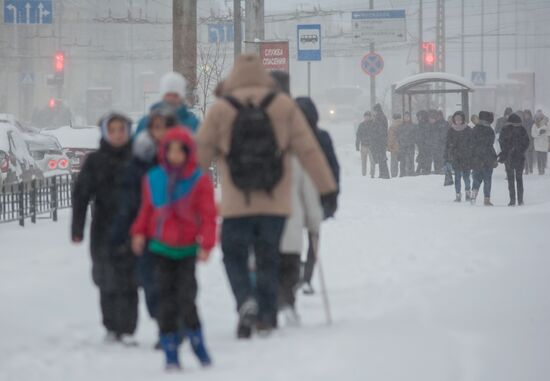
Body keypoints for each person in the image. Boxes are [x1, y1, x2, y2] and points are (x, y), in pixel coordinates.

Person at [196, 55, 337, 338]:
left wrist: (179, 192)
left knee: (234, 255)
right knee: (268, 257)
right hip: (275, 202)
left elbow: (199, 155)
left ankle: (245, 300)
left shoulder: (221, 109)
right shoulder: (283, 106)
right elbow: (308, 151)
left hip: (237, 202)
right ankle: (267, 316)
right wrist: (327, 189)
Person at [130, 128, 216, 370]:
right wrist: (138, 232)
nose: (175, 155)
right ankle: (170, 349)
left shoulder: (198, 180)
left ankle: (197, 341)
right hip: (160, 248)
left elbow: (208, 215)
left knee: (186, 298)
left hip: (187, 250)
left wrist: (207, 243)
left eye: (181, 150)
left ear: (188, 152)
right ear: (163, 152)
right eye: (171, 150)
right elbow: (147, 210)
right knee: (164, 300)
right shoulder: (154, 178)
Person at [110, 108, 177, 349]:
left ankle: (170, 327)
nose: (161, 132)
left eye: (165, 126)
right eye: (156, 127)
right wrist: (119, 233)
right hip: (148, 233)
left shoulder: (181, 156)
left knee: (173, 283)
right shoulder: (140, 160)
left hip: (177, 234)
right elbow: (129, 201)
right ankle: (163, 324)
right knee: (150, 283)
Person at [71, 113, 138, 344]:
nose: (118, 134)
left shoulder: (137, 159)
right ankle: (111, 326)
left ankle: (128, 329)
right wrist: (77, 228)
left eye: (122, 129)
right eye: (113, 130)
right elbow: (81, 195)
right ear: (105, 133)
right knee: (106, 279)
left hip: (133, 229)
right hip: (103, 230)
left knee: (130, 281)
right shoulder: (95, 161)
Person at [295, 97, 340, 296]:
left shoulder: (288, 138)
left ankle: (297, 271)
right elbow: (333, 168)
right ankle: (307, 277)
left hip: (293, 196)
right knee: (313, 237)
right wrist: (332, 196)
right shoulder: (322, 137)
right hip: (318, 193)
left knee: (292, 237)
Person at [278, 156, 323, 324]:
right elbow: (309, 192)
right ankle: (287, 300)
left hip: (264, 219)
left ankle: (272, 304)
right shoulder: (296, 156)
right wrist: (314, 221)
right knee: (290, 261)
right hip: (290, 216)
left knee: (270, 260)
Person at [135, 72, 199, 136]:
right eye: (168, 94)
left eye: (175, 95)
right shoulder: (146, 123)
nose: (171, 98)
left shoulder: (192, 124)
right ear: (162, 95)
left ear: (181, 97)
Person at [498, 113, 530, 206]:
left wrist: (506, 150)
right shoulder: (522, 129)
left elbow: (501, 141)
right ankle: (520, 200)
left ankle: (512, 200)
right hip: (519, 157)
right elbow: (527, 142)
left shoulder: (504, 130)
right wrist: (521, 150)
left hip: (509, 157)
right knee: (519, 179)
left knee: (511, 179)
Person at [470, 111, 497, 206]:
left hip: (477, 158)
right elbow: (491, 143)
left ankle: (473, 196)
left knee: (476, 178)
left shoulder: (475, 129)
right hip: (488, 157)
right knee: (487, 179)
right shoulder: (490, 130)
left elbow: (471, 144)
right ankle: (487, 199)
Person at [444, 111, 472, 202]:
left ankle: (468, 192)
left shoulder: (468, 130)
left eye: (459, 119)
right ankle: (458, 194)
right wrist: (449, 154)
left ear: (463, 119)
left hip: (466, 156)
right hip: (456, 157)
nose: (458, 121)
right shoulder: (451, 130)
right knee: (457, 177)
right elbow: (448, 144)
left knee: (466, 177)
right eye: (456, 119)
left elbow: (472, 143)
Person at [367, 103, 390, 179]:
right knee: (381, 158)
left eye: (374, 111)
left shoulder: (380, 118)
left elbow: (380, 130)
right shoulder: (380, 117)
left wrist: (375, 137)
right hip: (380, 141)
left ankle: (384, 174)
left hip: (380, 141)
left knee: (382, 158)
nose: (373, 112)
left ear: (377, 110)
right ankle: (383, 173)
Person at [396, 111, 416, 177]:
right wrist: (401, 143)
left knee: (411, 160)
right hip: (402, 146)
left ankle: (411, 173)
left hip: (410, 146)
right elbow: (398, 136)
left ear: (410, 117)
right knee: (402, 161)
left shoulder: (413, 126)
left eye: (407, 116)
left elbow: (415, 136)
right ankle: (402, 174)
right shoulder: (401, 126)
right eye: (405, 116)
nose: (406, 118)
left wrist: (410, 142)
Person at [356, 111, 374, 177]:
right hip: (363, 145)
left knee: (372, 161)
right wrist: (357, 144)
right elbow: (358, 135)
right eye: (365, 116)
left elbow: (375, 135)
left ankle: (372, 174)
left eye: (368, 116)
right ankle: (364, 174)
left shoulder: (373, 124)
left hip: (371, 146)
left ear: (370, 117)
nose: (366, 118)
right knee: (363, 161)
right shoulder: (361, 125)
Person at [532, 111, 549, 175]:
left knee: (543, 158)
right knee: (539, 158)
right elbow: (533, 134)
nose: (539, 118)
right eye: (538, 117)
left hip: (544, 144)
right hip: (538, 144)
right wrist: (539, 134)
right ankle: (540, 170)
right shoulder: (534, 125)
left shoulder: (547, 124)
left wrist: (544, 133)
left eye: (541, 117)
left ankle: (543, 169)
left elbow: (549, 132)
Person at [416, 110, 432, 175]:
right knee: (422, 156)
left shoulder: (427, 125)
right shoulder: (420, 124)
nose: (418, 118)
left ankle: (425, 169)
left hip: (426, 144)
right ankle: (421, 168)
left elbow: (427, 135)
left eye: (420, 116)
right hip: (421, 144)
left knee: (426, 156)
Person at [388, 113, 402, 178]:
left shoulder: (392, 126)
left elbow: (391, 138)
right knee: (403, 161)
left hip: (394, 146)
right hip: (403, 145)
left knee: (394, 162)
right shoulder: (403, 124)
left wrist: (389, 146)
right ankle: (403, 173)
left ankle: (394, 174)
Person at [523, 110, 535, 174]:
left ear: (530, 115)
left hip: (531, 140)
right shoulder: (522, 122)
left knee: (530, 155)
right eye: (525, 114)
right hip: (524, 140)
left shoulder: (532, 122)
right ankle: (526, 169)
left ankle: (530, 168)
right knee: (525, 155)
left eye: (527, 114)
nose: (526, 116)